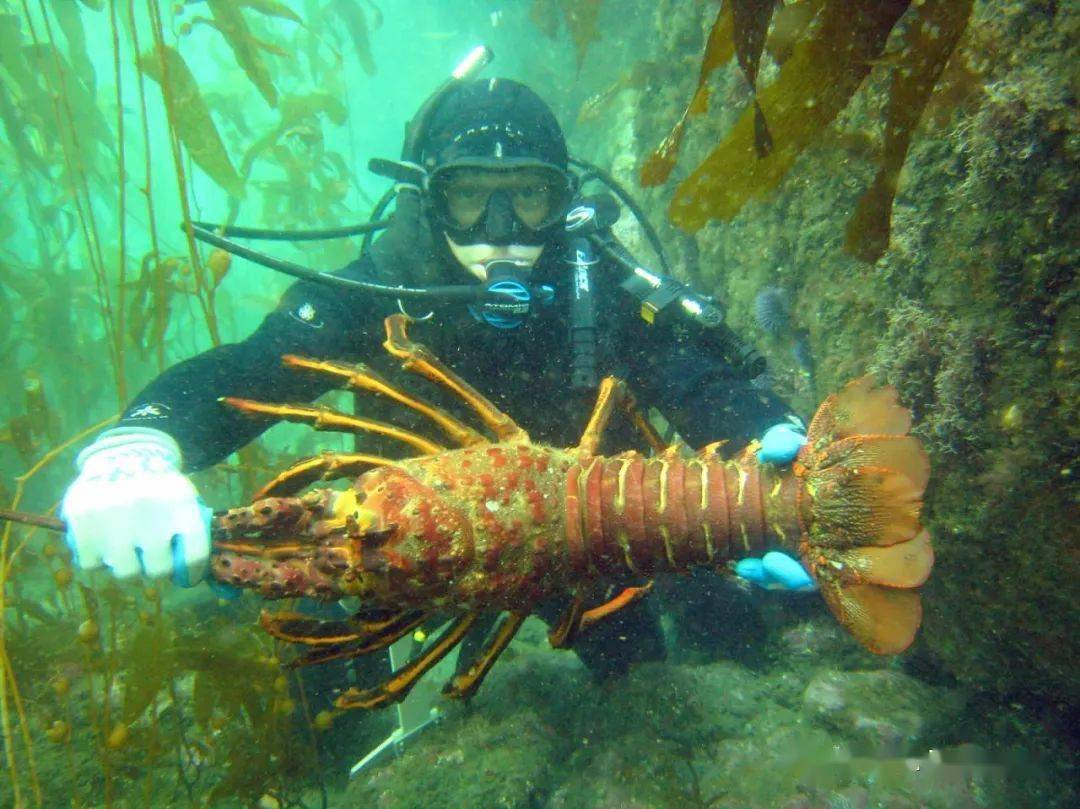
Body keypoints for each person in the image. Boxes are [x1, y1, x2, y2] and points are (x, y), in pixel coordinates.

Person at [60, 77, 812, 677]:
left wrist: (763, 427)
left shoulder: (591, 284)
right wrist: (140, 443)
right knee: (309, 639)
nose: (499, 229)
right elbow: (256, 366)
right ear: (428, 196)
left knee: (684, 648)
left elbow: (686, 372)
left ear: (561, 199)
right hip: (414, 558)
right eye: (468, 195)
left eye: (526, 195)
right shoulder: (376, 290)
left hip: (613, 535)